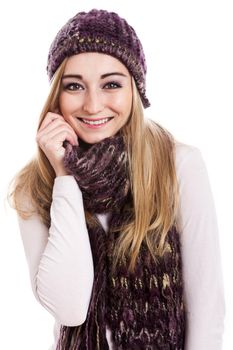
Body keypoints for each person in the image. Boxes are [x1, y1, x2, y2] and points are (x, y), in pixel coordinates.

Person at [9, 8, 225, 350]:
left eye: (111, 84)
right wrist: (65, 177)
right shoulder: (33, 187)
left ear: (135, 91)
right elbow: (71, 308)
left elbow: (208, 311)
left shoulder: (179, 165)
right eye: (74, 86)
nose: (94, 105)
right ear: (56, 96)